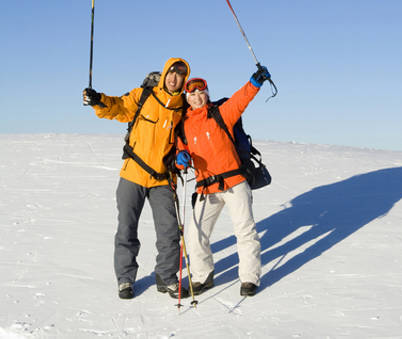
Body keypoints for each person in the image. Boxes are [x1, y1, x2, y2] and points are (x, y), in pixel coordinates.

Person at [83, 57, 190, 301]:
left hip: (163, 178)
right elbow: (118, 107)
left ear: (184, 80)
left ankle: (166, 277)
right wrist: (98, 99)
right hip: (133, 174)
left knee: (170, 232)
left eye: (179, 75)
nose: (174, 78)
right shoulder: (144, 96)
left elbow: (188, 137)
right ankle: (125, 279)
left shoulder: (183, 107)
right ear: (164, 74)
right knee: (126, 229)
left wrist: (185, 155)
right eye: (171, 73)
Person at [175, 64, 271, 298]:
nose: (197, 97)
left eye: (201, 93)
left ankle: (249, 278)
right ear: (187, 98)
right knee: (195, 235)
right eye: (193, 94)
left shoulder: (221, 113)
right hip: (207, 188)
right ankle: (202, 276)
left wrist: (255, 81)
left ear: (207, 94)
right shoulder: (184, 126)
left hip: (235, 183)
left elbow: (241, 99)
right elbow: (179, 155)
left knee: (245, 232)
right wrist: (181, 158)